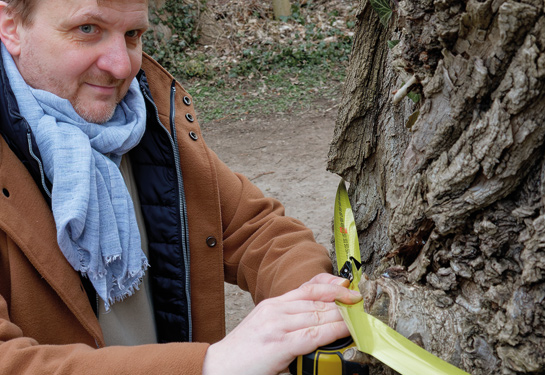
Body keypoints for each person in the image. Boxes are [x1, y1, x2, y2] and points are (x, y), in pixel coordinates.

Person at [0, 0, 362, 373]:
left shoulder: (149, 125)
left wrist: (313, 305)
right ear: (11, 24)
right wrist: (207, 365)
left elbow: (259, 230)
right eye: (88, 29)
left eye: (132, 35)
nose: (121, 66)